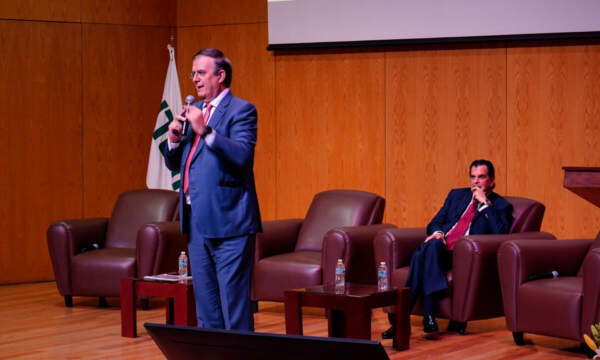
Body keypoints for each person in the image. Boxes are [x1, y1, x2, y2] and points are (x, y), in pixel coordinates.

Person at [162, 48, 261, 331]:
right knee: (206, 308)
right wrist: (173, 139)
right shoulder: (194, 113)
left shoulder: (241, 110)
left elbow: (242, 156)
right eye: (193, 73)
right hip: (196, 222)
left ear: (221, 75)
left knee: (234, 308)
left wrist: (205, 130)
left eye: (201, 73)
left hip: (230, 222)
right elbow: (176, 163)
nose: (195, 79)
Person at [382, 159, 512, 338]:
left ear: (492, 180)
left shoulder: (500, 206)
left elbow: (500, 235)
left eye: (481, 177)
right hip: (441, 247)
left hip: (461, 255)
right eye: (473, 177)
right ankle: (428, 317)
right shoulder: (456, 196)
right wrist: (437, 233)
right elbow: (435, 221)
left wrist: (484, 205)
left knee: (421, 255)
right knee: (431, 246)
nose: (476, 181)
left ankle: (403, 321)